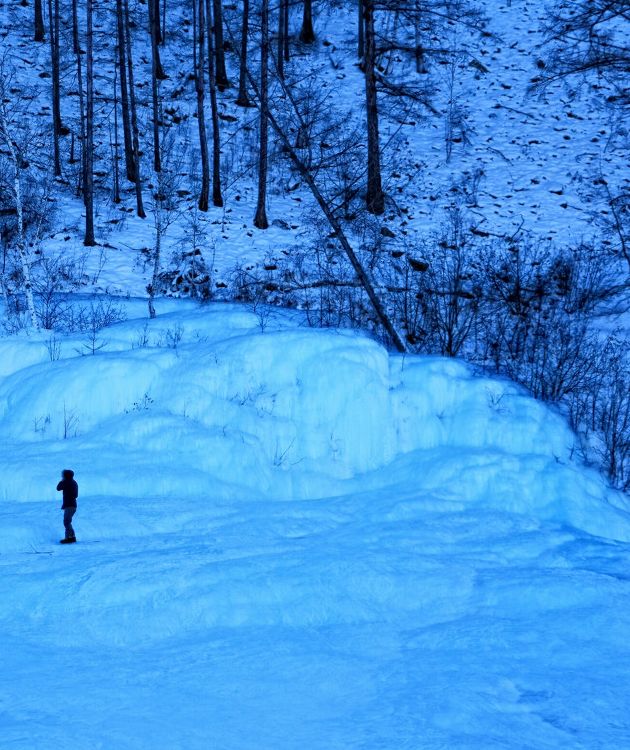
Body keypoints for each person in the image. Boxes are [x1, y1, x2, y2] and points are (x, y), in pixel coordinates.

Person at [57, 469, 79, 544]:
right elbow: (76, 495)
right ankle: (71, 537)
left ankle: (69, 538)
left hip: (69, 505)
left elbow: (58, 488)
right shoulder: (74, 482)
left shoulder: (66, 482)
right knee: (68, 521)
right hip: (73, 505)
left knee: (66, 522)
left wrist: (62, 480)